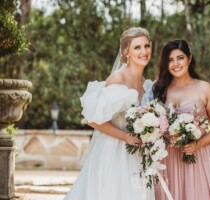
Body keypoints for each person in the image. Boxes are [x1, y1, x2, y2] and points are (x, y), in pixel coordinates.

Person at [64, 27, 155, 200]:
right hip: (113, 151)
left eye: (147, 46)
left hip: (136, 151)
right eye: (137, 47)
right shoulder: (118, 79)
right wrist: (125, 136)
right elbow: (92, 120)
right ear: (126, 52)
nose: (144, 51)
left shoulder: (146, 84)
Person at [153, 39, 210, 200]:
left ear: (189, 59)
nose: (175, 64)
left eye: (180, 58)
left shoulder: (204, 88)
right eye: (170, 60)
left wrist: (197, 144)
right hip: (167, 158)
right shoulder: (159, 89)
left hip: (197, 156)